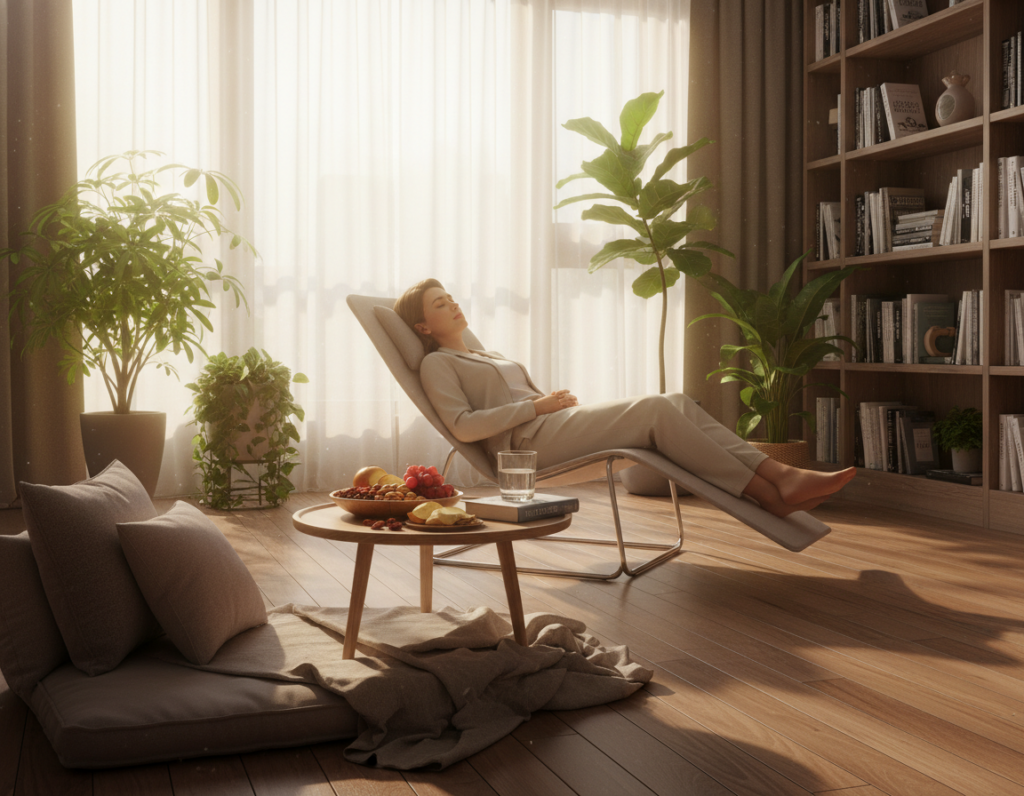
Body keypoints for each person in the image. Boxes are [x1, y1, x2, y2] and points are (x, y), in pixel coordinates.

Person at [394, 278, 855, 518]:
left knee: (673, 401)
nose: (452, 303)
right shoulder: (438, 363)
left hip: (548, 428)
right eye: (439, 304)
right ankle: (774, 486)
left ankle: (774, 484)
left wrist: (549, 404)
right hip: (527, 450)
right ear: (423, 328)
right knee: (656, 408)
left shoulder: (484, 352)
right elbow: (463, 427)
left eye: (450, 296)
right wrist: (537, 406)